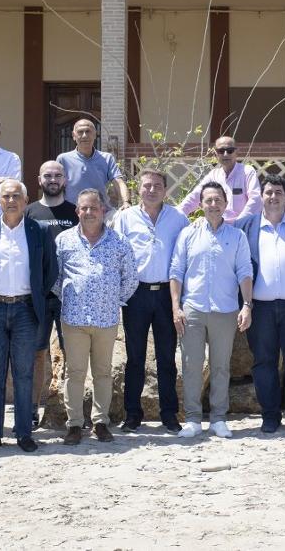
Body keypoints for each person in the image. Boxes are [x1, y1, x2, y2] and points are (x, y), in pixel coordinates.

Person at [0, 179, 59, 454]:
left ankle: (23, 433)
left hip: (25, 311)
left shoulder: (38, 230)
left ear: (25, 198)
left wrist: (35, 296)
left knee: (23, 374)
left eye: (16, 196)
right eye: (5, 196)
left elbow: (50, 269)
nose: (10, 200)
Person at [54, 189, 138, 446]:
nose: (89, 212)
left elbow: (131, 278)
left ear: (103, 210)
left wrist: (113, 299)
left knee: (102, 373)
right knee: (75, 373)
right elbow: (55, 278)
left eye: (94, 208)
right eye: (84, 208)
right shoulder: (63, 241)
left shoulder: (119, 242)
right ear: (77, 211)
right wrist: (69, 297)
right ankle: (75, 425)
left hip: (106, 319)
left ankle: (100, 422)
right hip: (74, 319)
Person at [170, 183, 253, 438]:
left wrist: (247, 305)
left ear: (226, 204)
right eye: (208, 200)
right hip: (192, 308)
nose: (213, 204)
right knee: (191, 365)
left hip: (225, 309)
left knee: (220, 366)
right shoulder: (188, 234)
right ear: (201, 205)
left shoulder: (237, 236)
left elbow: (245, 271)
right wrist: (176, 307)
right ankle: (193, 419)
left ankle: (218, 418)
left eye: (218, 200)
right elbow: (176, 271)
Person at [238, 174, 285, 435]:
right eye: (268, 192)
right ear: (260, 195)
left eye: (278, 192)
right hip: (260, 309)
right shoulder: (245, 227)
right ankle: (270, 416)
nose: (273, 197)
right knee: (263, 362)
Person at [116, 169, 187, 433]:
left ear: (166, 189)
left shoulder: (178, 218)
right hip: (136, 294)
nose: (152, 190)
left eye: (158, 185)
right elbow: (117, 253)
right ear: (138, 189)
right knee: (135, 357)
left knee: (166, 357)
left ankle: (169, 414)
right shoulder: (126, 218)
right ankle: (132, 414)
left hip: (167, 294)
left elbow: (185, 255)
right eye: (147, 186)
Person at [25, 161, 80, 431]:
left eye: (58, 175)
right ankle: (32, 410)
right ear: (39, 179)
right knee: (36, 353)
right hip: (37, 295)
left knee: (73, 354)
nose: (53, 179)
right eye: (48, 175)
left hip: (69, 294)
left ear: (65, 179)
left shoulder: (76, 212)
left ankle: (72, 413)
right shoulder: (29, 212)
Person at [178, 136, 261, 224]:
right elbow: (194, 197)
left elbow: (256, 199)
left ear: (236, 152)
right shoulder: (214, 175)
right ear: (215, 154)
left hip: (244, 227)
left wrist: (239, 223)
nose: (225, 154)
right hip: (219, 228)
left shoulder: (247, 172)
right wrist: (176, 214)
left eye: (230, 150)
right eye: (221, 151)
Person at [56, 118, 129, 209]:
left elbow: (118, 181)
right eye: (80, 132)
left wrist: (125, 202)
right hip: (72, 212)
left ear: (95, 134)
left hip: (101, 212)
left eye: (88, 131)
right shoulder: (63, 159)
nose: (84, 135)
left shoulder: (107, 158)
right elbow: (56, 186)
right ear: (74, 136)